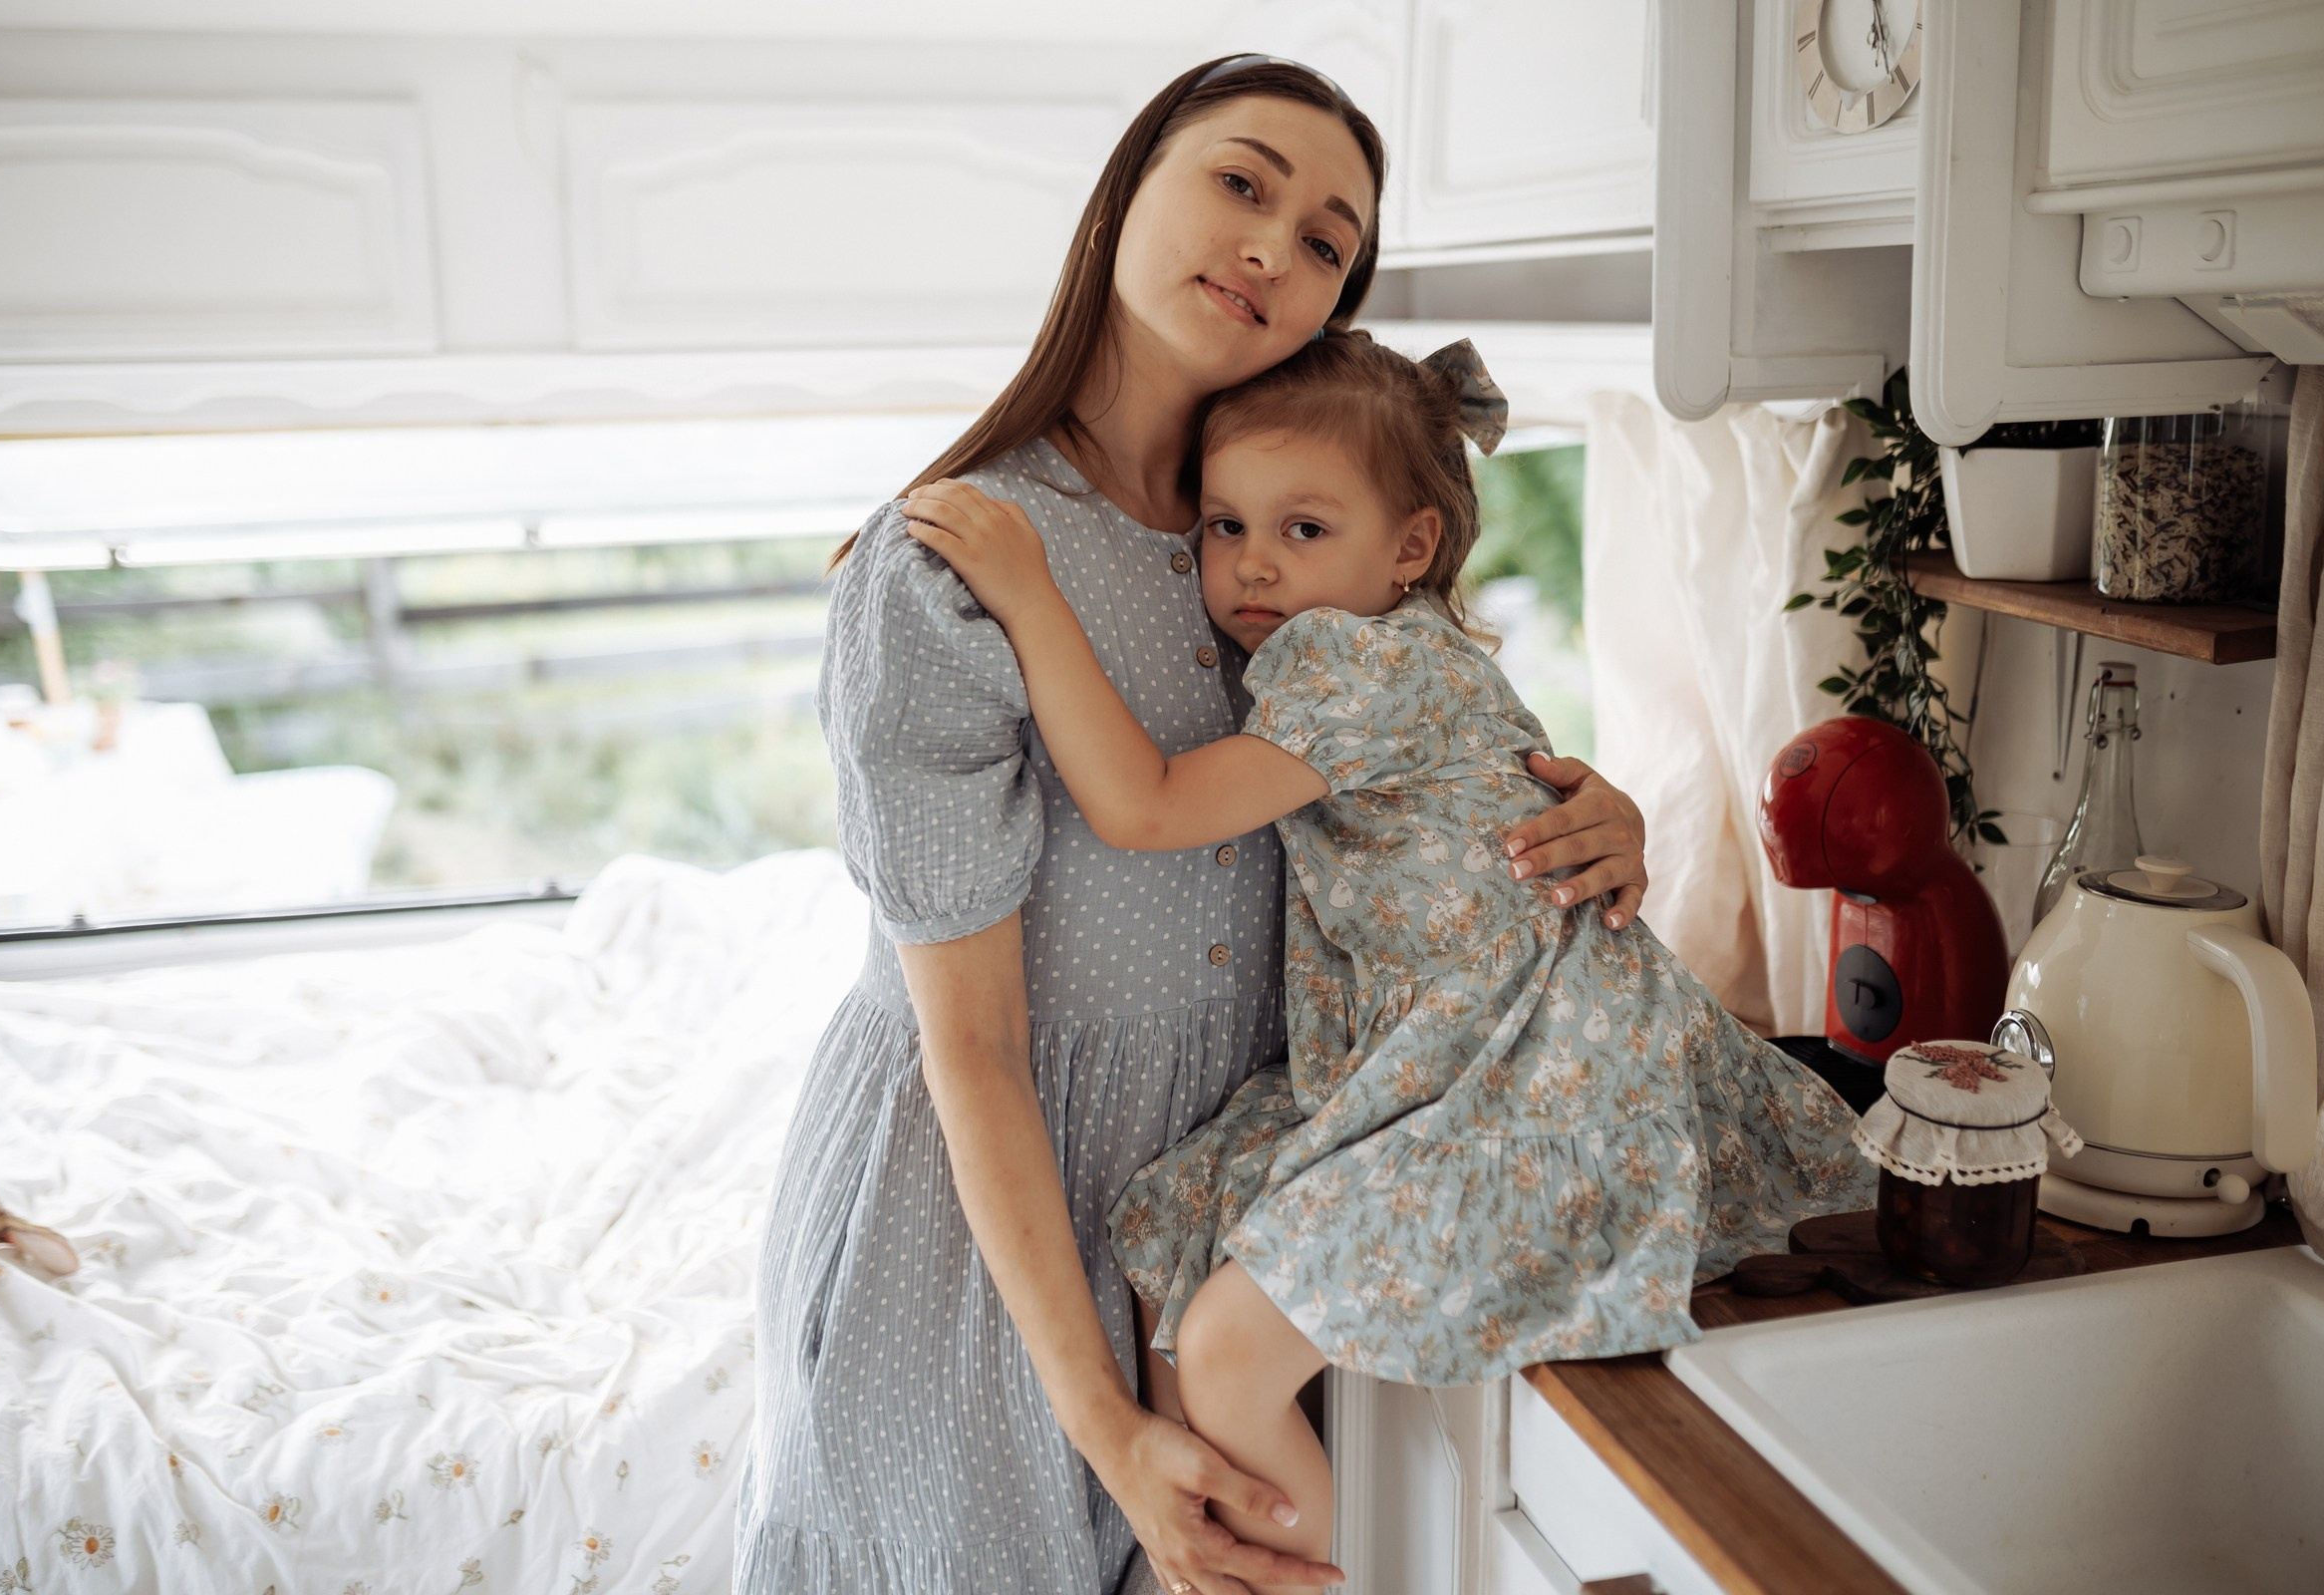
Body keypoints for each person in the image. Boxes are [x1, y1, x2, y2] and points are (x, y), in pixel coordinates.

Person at [734, 57, 1656, 1595]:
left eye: (1326, 242)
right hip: (980, 1231)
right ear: (1125, 195)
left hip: (1239, 1209)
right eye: (1242, 184)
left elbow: (1424, 771)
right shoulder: (959, 559)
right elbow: (973, 1046)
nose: (1272, 249)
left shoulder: (1300, 529)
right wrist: (1101, 1420)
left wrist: (1591, 820)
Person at [901, 330, 1875, 1592]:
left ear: (1410, 546)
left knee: (1228, 1349)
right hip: (1445, 1048)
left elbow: (1143, 805)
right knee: (1168, 1223)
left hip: (1523, 1070)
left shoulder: (1357, 660)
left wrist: (1030, 595)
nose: (1253, 563)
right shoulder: (1381, 646)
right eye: (1225, 525)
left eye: (1304, 529)